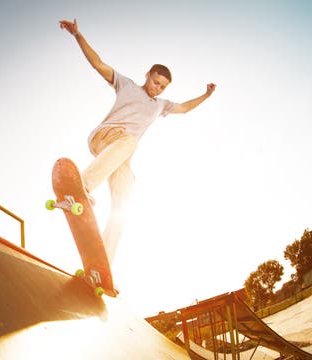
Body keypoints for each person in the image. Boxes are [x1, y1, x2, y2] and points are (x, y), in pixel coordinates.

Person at [59, 18, 216, 264]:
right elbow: (98, 64)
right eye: (155, 82)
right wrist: (78, 35)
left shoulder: (161, 106)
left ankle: (102, 264)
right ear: (147, 75)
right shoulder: (127, 85)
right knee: (129, 142)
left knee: (124, 202)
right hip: (105, 138)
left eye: (163, 87)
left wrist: (206, 95)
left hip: (119, 154)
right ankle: (83, 187)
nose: (157, 89)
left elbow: (184, 108)